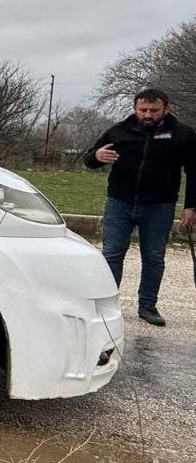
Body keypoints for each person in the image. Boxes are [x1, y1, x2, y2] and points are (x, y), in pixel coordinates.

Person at [84, 88, 196, 326]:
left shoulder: (182, 135)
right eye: (142, 109)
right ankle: (107, 306)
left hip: (159, 206)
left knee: (154, 257)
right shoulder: (119, 131)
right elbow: (89, 158)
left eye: (153, 110)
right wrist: (96, 157)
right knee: (112, 254)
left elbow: (194, 172)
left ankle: (148, 306)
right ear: (135, 108)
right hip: (119, 203)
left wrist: (191, 207)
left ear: (166, 108)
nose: (147, 114)